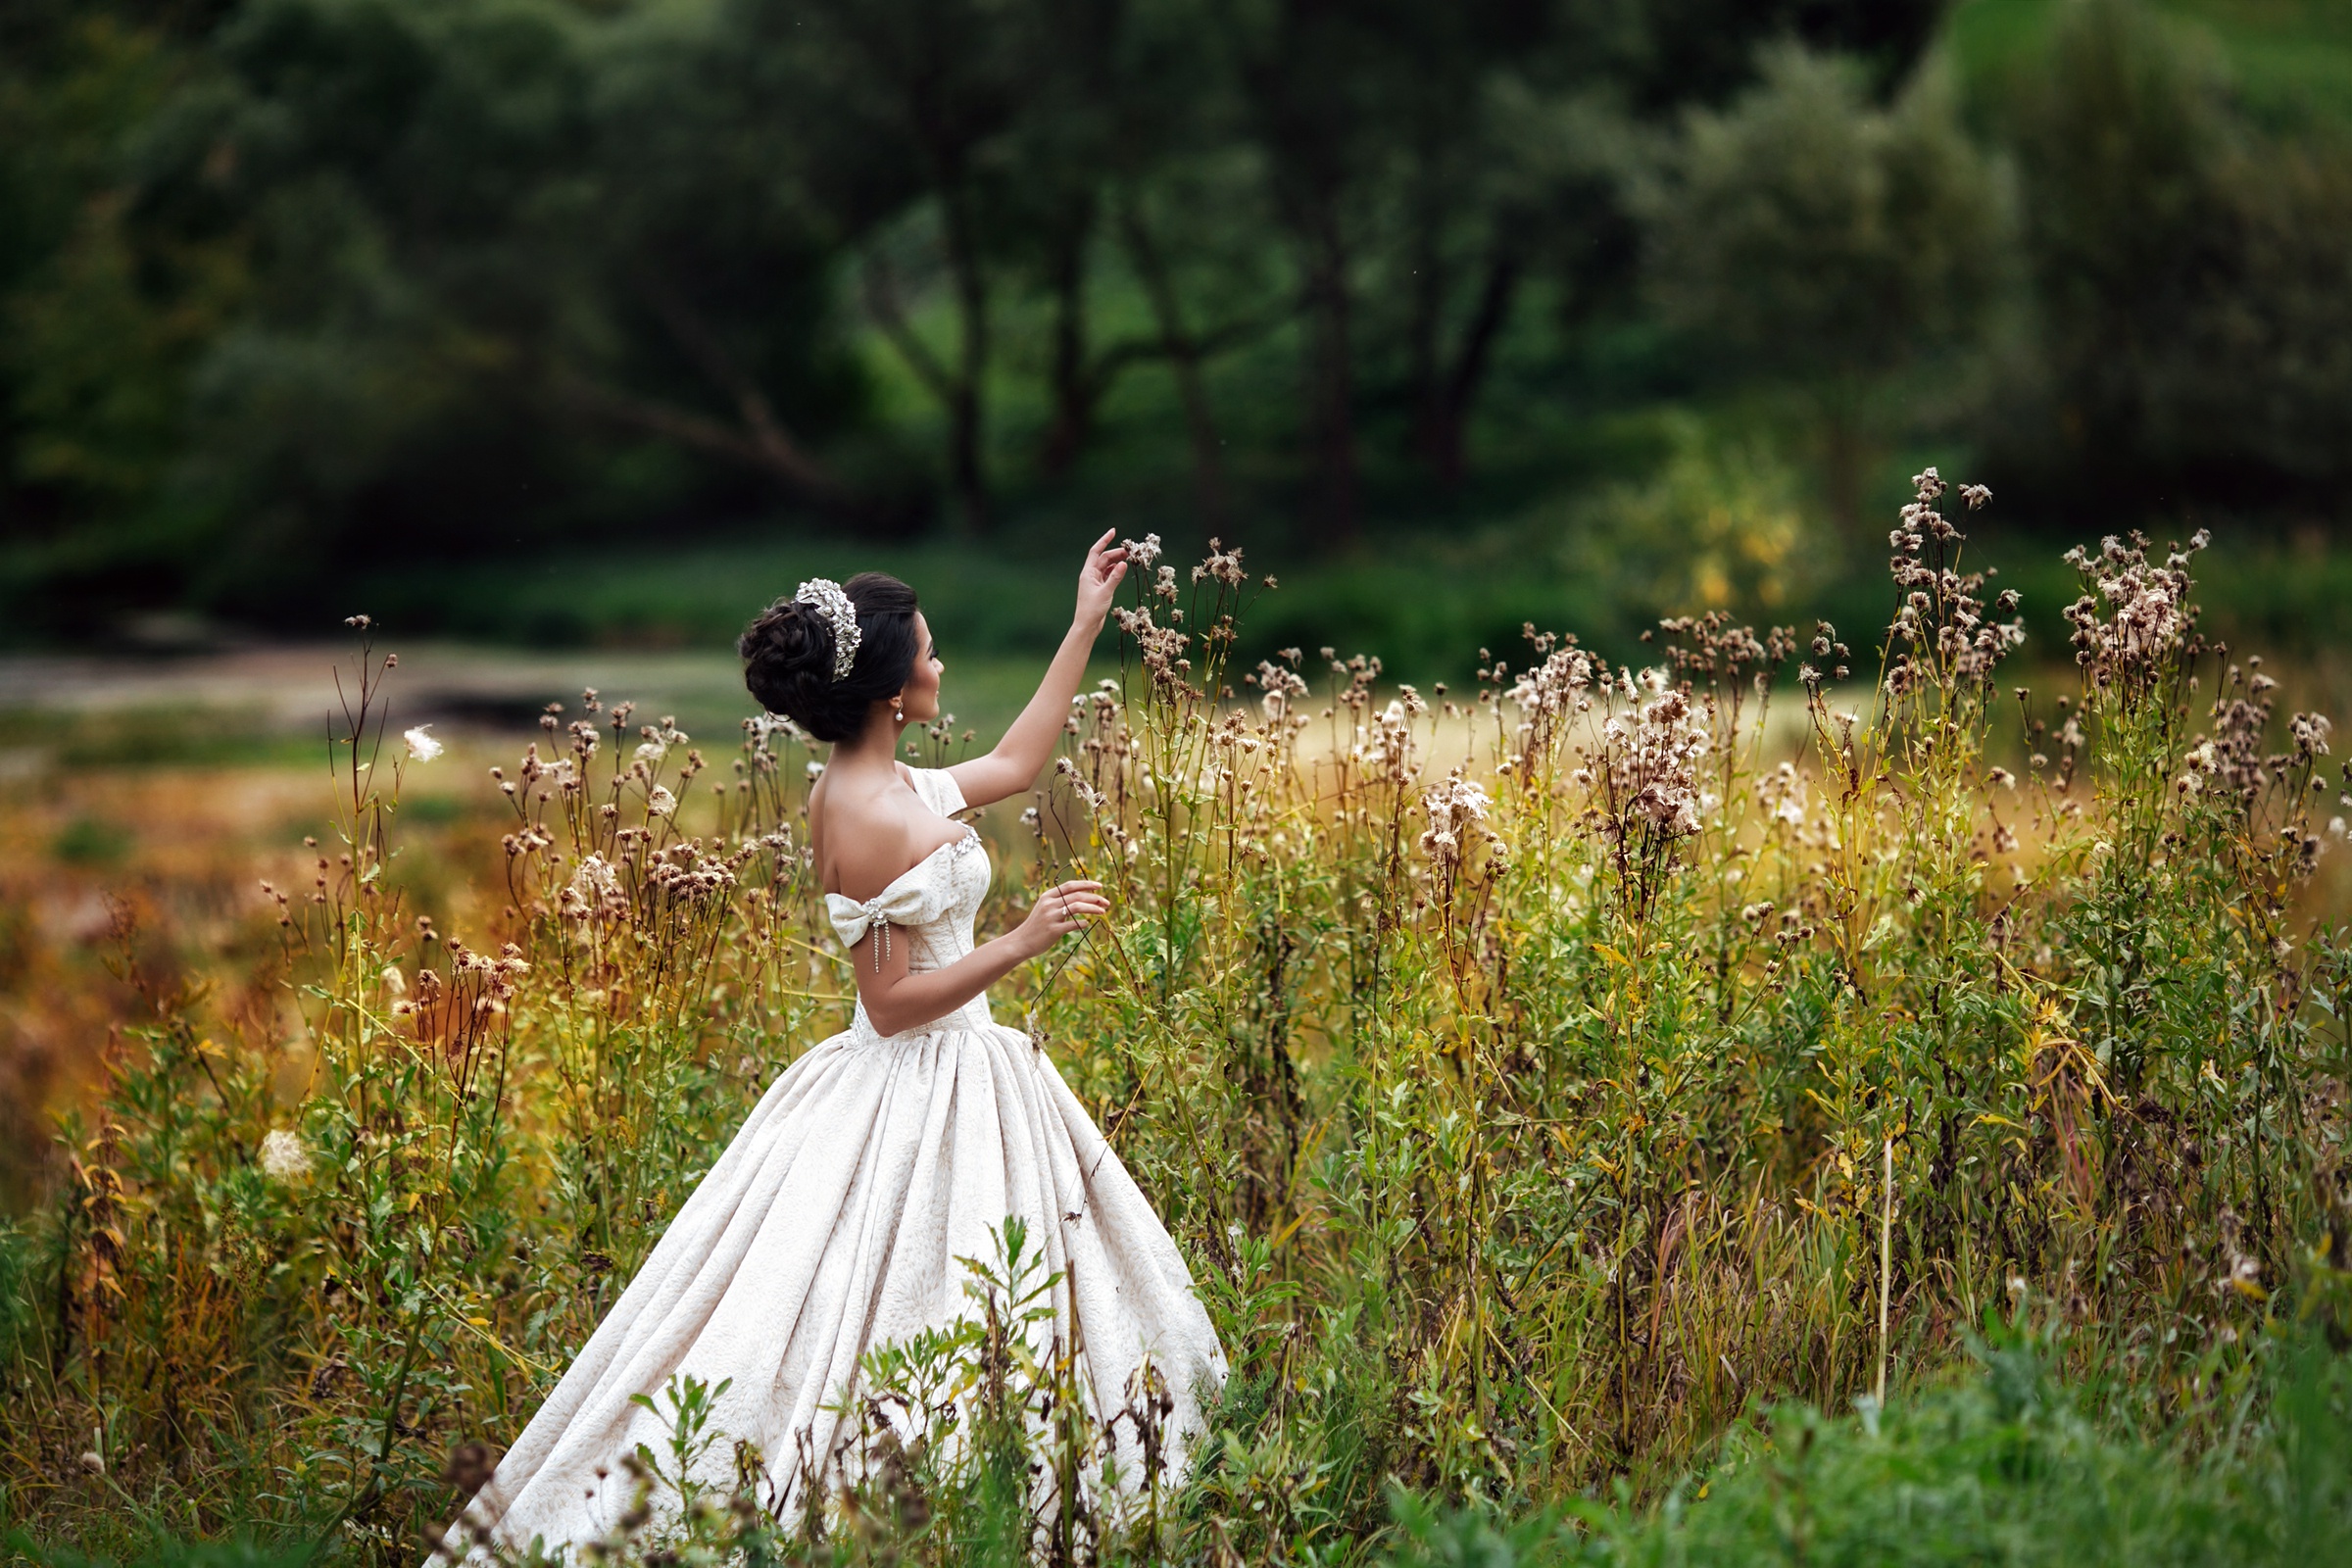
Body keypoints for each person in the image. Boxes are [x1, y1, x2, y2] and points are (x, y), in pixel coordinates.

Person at [436, 532, 1226, 1559]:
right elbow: (893, 1004)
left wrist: (1084, 621)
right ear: (895, 686)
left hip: (966, 1068)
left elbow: (1020, 761)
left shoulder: (888, 788)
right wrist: (1019, 942)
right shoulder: (866, 813)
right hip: (917, 1069)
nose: (940, 667)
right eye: (931, 653)